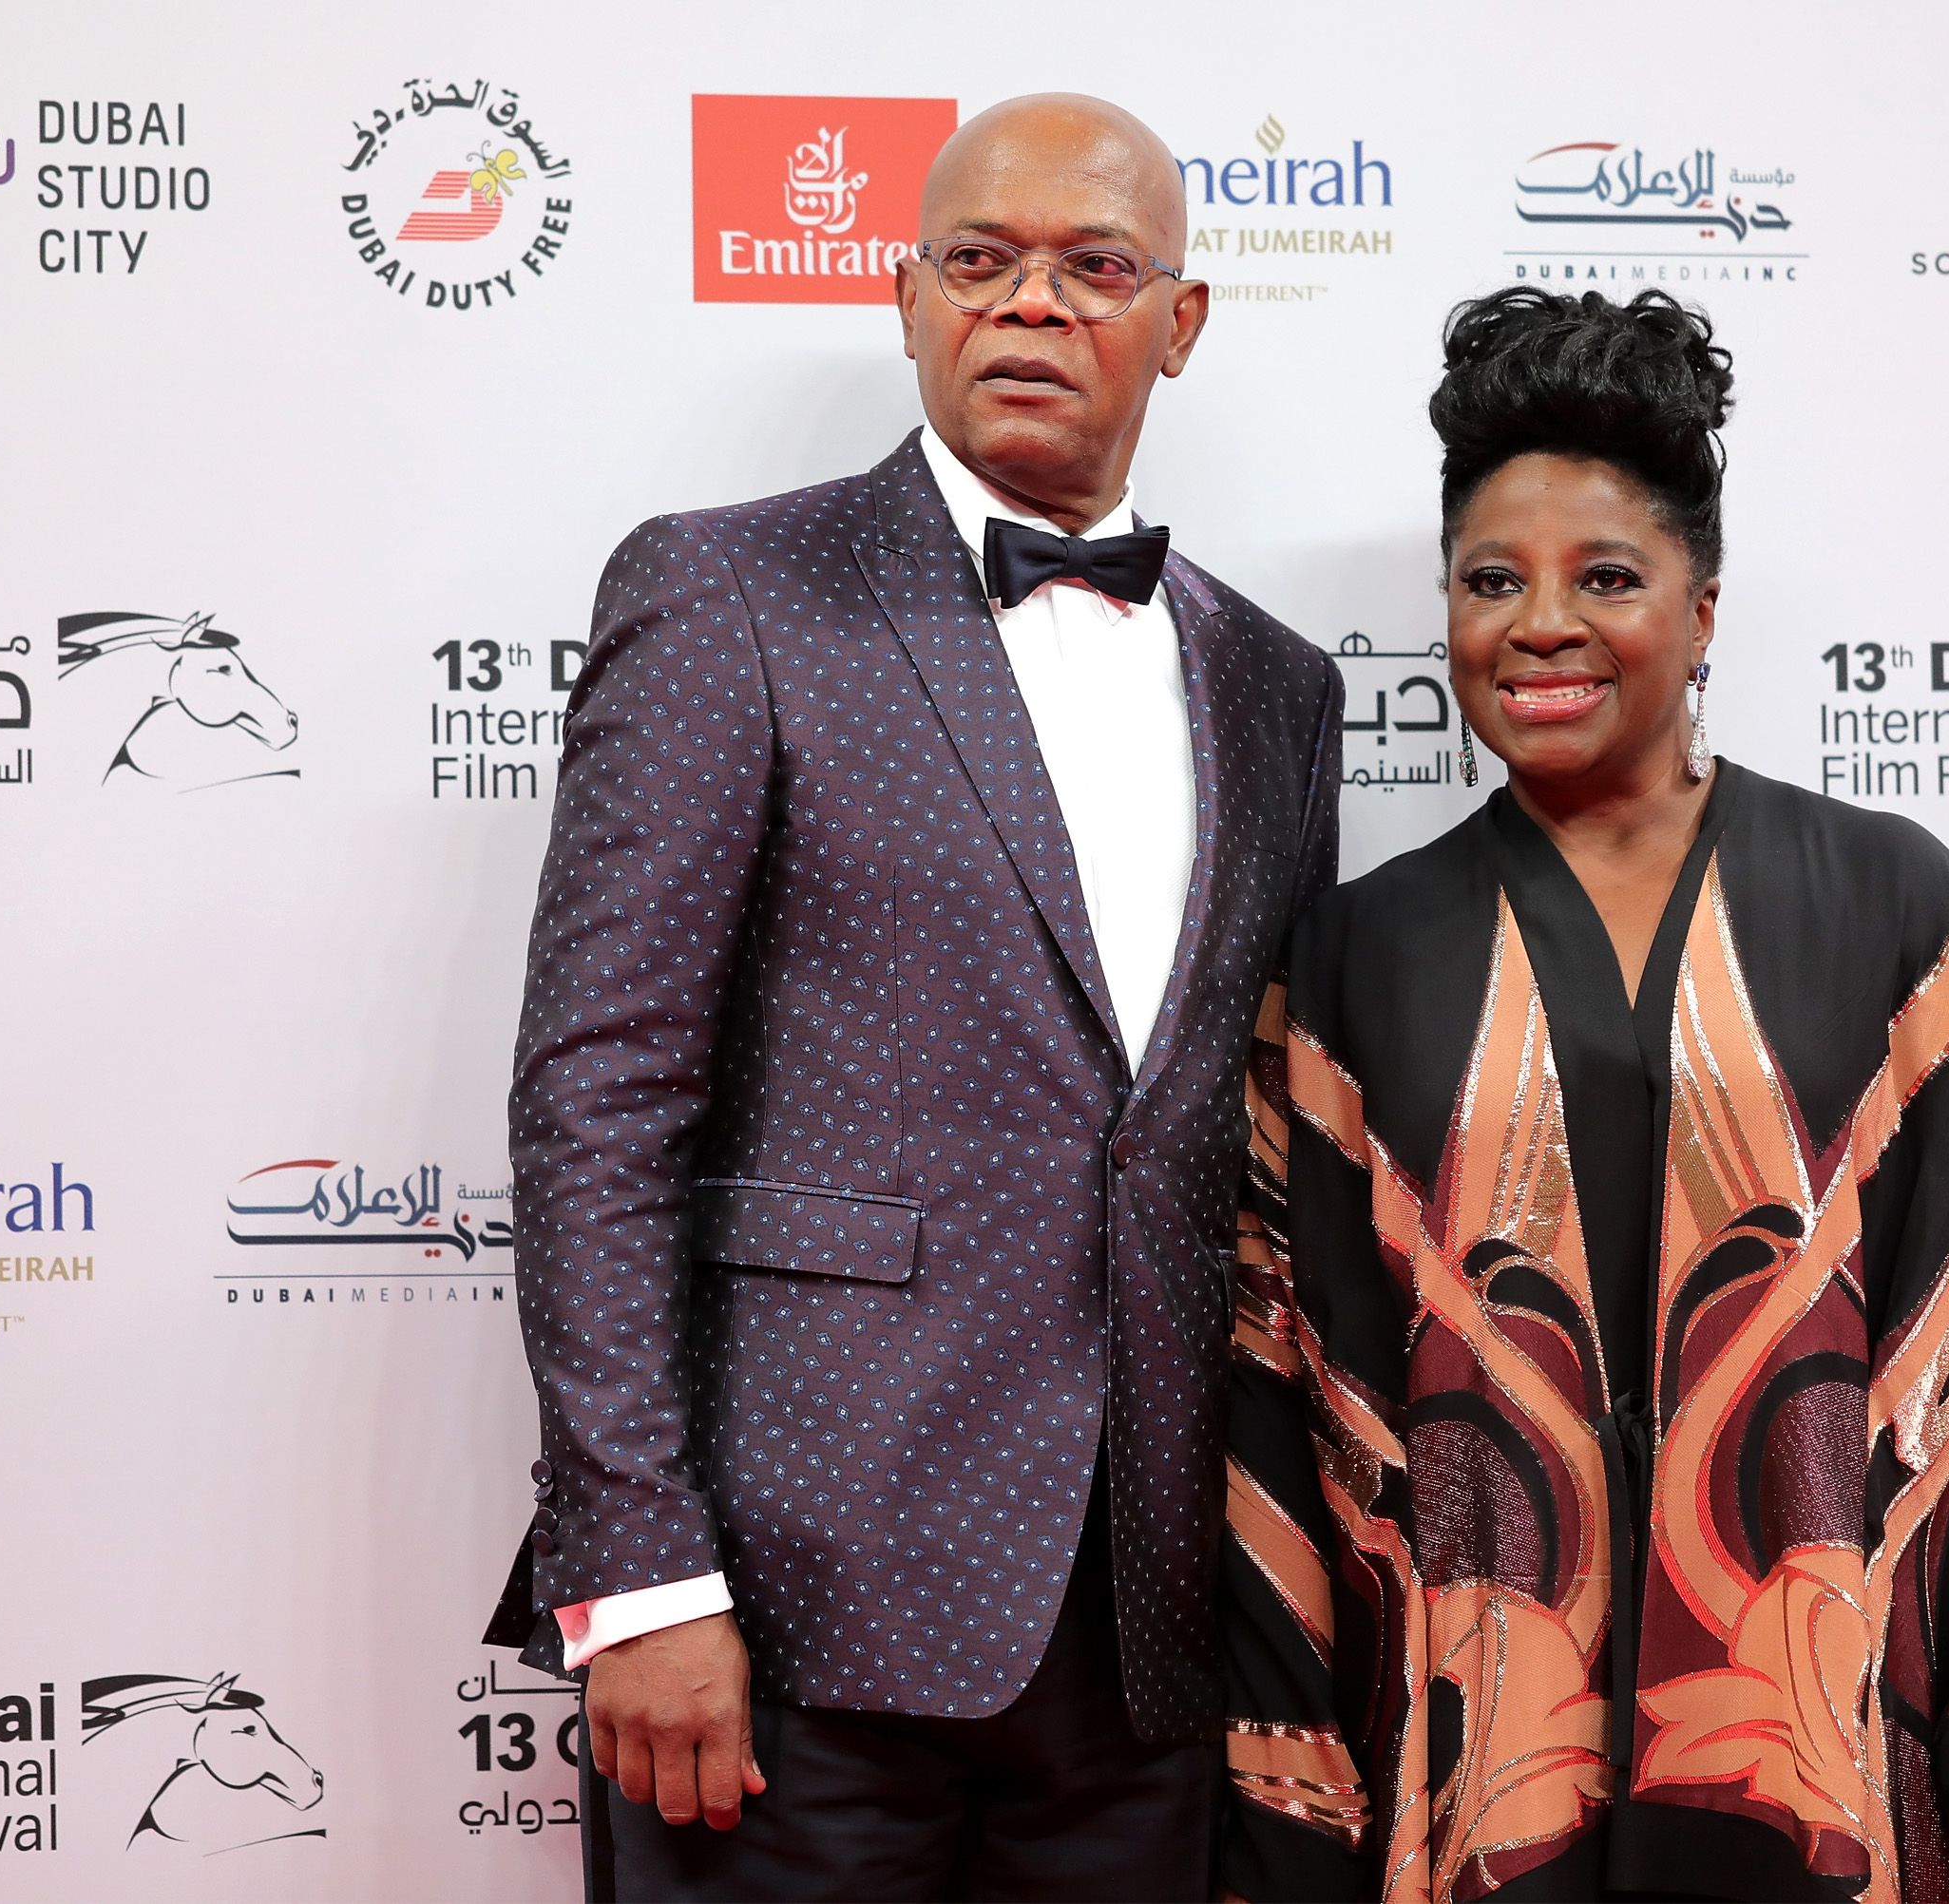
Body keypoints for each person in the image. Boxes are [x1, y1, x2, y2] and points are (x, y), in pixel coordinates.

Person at [1218, 288, 1949, 1904]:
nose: (1540, 624)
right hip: (1477, 1764)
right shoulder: (1351, 958)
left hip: (1816, 1742)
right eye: (1489, 581)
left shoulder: (1900, 913)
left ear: (1706, 606)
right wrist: (1290, 1776)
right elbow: (1275, 1378)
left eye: (1608, 578)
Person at [487, 93, 1342, 1902]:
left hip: (1148, 1642)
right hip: (783, 1624)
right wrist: (636, 1566)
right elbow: (599, 1099)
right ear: (905, 299)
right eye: (981, 259)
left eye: (1095, 266)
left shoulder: (1277, 684)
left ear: (1180, 324)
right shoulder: (730, 590)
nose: (1030, 304)